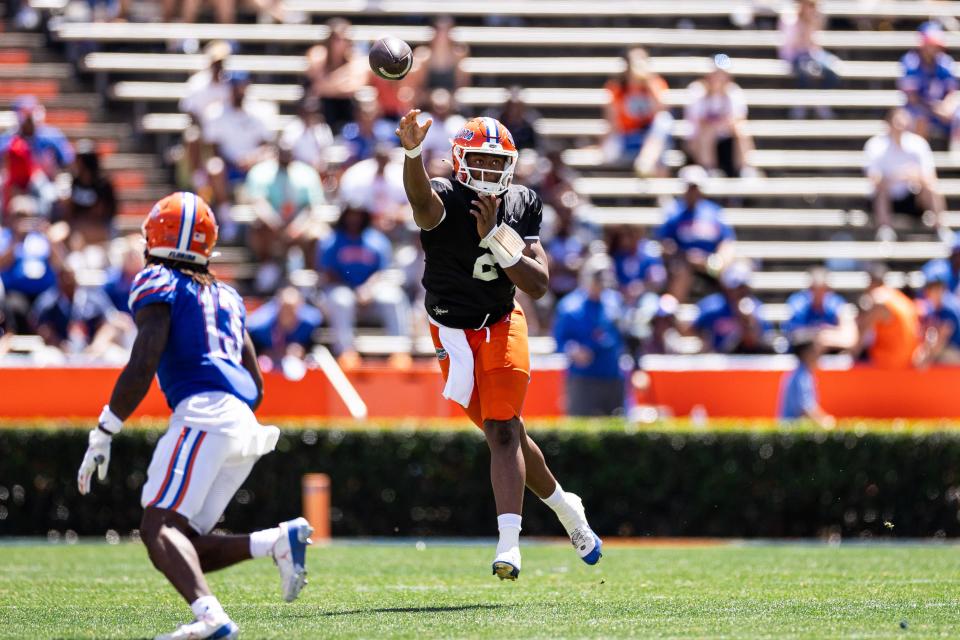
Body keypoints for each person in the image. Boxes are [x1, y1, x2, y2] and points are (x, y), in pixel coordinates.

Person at [76, 192, 312, 640]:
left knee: (157, 526)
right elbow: (256, 386)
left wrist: (106, 428)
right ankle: (276, 542)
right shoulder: (227, 295)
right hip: (242, 418)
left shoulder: (156, 280)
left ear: (154, 235)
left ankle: (211, 619)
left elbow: (144, 360)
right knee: (181, 541)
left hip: (204, 412)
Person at [396, 109, 602, 579]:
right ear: (459, 161)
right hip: (451, 331)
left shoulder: (522, 201)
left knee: (504, 429)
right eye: (480, 162)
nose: (489, 174)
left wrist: (495, 237)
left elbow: (538, 284)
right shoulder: (445, 194)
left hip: (502, 322)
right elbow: (421, 204)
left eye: (497, 163)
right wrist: (412, 153)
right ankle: (568, 511)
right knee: (502, 434)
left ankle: (509, 545)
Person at [317, 203, 410, 364]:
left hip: (371, 293)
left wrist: (367, 289)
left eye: (358, 215)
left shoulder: (377, 240)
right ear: (344, 216)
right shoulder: (331, 240)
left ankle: (399, 351)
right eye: (351, 215)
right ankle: (346, 352)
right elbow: (327, 272)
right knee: (341, 300)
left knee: (394, 298)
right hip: (344, 290)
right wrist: (353, 289)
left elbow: (382, 271)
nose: (354, 219)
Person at [245, 140, 327, 291]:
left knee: (318, 234)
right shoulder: (261, 172)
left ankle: (310, 278)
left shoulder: (307, 173)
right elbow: (258, 203)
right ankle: (268, 267)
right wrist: (277, 224)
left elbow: (311, 208)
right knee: (258, 227)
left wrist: (295, 228)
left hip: (300, 225)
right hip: (272, 226)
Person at [553, 253, 626, 416]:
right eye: (598, 276)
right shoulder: (570, 307)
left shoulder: (614, 301)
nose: (602, 282)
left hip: (612, 375)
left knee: (615, 427)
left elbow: (622, 336)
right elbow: (559, 341)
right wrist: (574, 350)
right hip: (584, 378)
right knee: (581, 426)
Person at [656, 165, 736, 303]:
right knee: (680, 270)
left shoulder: (714, 212)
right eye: (690, 188)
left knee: (732, 272)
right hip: (684, 264)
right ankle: (673, 313)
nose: (693, 192)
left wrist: (713, 262)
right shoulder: (673, 213)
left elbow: (726, 242)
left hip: (710, 266)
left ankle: (729, 312)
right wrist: (686, 257)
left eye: (696, 188)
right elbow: (665, 245)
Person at [863, 108, 946, 242]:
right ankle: (885, 229)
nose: (902, 126)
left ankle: (940, 229)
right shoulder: (875, 145)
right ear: (889, 123)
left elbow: (930, 177)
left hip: (912, 197)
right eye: (898, 122)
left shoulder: (918, 144)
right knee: (881, 191)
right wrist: (902, 175)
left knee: (932, 188)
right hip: (886, 199)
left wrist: (912, 177)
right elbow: (875, 180)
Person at [683, 55, 757, 178]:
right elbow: (699, 122)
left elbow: (738, 119)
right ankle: (709, 169)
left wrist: (720, 124)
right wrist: (719, 124)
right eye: (716, 74)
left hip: (725, 141)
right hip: (698, 142)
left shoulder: (734, 92)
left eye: (723, 75)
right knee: (707, 131)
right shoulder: (697, 91)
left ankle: (745, 169)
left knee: (742, 129)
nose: (719, 78)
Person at [603, 47, 672, 176]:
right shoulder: (617, 88)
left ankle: (646, 163)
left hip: (651, 137)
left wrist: (648, 83)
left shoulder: (656, 84)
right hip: (628, 137)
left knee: (664, 121)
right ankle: (646, 164)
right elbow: (612, 121)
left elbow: (662, 108)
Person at [303, 18, 368, 134]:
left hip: (346, 108)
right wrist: (343, 77)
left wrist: (328, 83)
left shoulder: (355, 58)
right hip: (322, 107)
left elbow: (353, 87)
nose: (342, 43)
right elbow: (317, 85)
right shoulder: (318, 54)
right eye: (337, 39)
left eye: (345, 39)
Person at [692, 261, 773, 354]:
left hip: (748, 360)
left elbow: (756, 340)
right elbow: (693, 329)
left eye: (743, 287)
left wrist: (747, 320)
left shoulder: (756, 308)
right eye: (736, 287)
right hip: (717, 360)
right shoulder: (712, 306)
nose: (740, 291)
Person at [778, 0, 840, 119]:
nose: (813, 9)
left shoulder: (814, 18)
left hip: (811, 55)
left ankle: (821, 101)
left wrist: (811, 24)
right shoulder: (790, 18)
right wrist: (805, 26)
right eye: (810, 5)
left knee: (832, 70)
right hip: (793, 56)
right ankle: (801, 104)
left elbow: (814, 46)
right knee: (804, 72)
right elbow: (792, 45)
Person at [898, 21, 956, 140]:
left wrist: (947, 107)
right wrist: (935, 109)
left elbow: (952, 92)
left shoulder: (945, 62)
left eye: (936, 45)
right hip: (917, 108)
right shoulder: (910, 63)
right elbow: (912, 98)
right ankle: (919, 155)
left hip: (941, 109)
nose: (934, 49)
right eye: (931, 45)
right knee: (919, 119)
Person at [855, 264, 920, 369]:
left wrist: (851, 356)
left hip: (889, 362)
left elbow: (863, 332)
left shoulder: (879, 298)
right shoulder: (899, 297)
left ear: (871, 283)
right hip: (909, 360)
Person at [782, 266, 856, 350]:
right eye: (815, 289)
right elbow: (793, 336)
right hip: (802, 352)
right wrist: (820, 334)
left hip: (831, 351)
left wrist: (822, 336)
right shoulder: (798, 304)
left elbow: (850, 339)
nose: (819, 294)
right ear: (809, 289)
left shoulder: (836, 303)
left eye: (824, 289)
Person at [247, 285, 322, 368]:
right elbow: (254, 351)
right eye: (285, 308)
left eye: (292, 309)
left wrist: (302, 351)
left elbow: (312, 349)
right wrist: (273, 353)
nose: (288, 313)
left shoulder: (311, 324)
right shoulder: (259, 327)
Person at [0, 96, 74, 179]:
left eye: (32, 111)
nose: (29, 117)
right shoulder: (8, 139)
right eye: (24, 112)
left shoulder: (52, 135)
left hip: (46, 181)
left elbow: (67, 160)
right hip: (14, 183)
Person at [61, 139, 117, 246]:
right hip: (78, 226)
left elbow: (100, 213)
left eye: (78, 160)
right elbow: (71, 210)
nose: (75, 163)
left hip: (102, 227)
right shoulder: (76, 182)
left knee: (77, 238)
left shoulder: (103, 184)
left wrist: (78, 223)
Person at [777, 333, 835, 428]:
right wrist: (826, 423)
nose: (819, 354)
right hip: (791, 434)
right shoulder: (801, 376)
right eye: (815, 350)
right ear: (806, 353)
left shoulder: (801, 374)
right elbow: (805, 408)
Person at [915, 263, 960, 366]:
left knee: (935, 357)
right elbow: (931, 333)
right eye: (933, 288)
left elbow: (941, 340)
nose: (936, 291)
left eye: (939, 288)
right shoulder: (933, 307)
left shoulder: (949, 308)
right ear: (927, 291)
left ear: (944, 289)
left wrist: (926, 359)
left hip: (956, 352)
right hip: (948, 348)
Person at [179, 40, 232, 122]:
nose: (218, 67)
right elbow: (189, 109)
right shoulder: (197, 82)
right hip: (202, 126)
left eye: (221, 63)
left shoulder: (230, 83)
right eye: (216, 63)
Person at [280, 96, 334, 175]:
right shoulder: (291, 128)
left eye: (313, 111)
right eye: (307, 111)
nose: (310, 115)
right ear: (301, 111)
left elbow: (327, 153)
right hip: (297, 171)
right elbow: (286, 153)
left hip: (319, 171)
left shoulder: (323, 128)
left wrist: (319, 163)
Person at [489, 87, 541, 152]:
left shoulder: (529, 126)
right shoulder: (496, 124)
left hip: (523, 158)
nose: (514, 109)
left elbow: (536, 147)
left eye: (517, 106)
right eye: (511, 105)